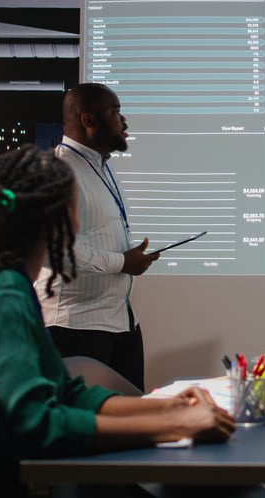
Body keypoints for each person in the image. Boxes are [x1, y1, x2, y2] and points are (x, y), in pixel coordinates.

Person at [0, 146, 235, 498]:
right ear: (63, 216)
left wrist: (164, 407)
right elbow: (36, 424)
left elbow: (65, 391)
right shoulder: (3, 295)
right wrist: (172, 425)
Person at [35, 82, 158, 392]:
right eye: (115, 112)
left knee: (132, 426)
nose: (124, 120)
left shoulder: (102, 167)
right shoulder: (59, 170)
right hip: (75, 328)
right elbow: (57, 251)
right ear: (88, 120)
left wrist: (128, 257)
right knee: (86, 431)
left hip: (120, 322)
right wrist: (121, 261)